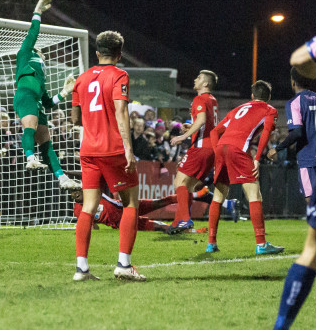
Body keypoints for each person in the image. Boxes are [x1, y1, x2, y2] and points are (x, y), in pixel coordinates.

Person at [263, 33, 316, 330]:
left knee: (312, 247)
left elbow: (298, 57)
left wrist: (277, 147)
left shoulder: (297, 101)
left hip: (312, 161)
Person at [70, 30, 145, 281]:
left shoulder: (81, 79)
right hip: (112, 149)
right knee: (131, 203)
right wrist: (128, 148)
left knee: (89, 207)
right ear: (119, 54)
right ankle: (124, 265)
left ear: (97, 52)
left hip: (88, 150)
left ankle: (82, 269)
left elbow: (75, 119)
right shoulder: (119, 74)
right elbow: (121, 109)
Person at [206, 80, 283, 255]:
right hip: (238, 149)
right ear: (268, 97)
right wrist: (257, 158)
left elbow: (213, 132)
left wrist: (216, 151)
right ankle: (261, 244)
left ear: (252, 96)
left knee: (218, 196)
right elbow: (265, 133)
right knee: (254, 194)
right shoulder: (269, 110)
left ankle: (211, 243)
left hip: (222, 147)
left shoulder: (236, 110)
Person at [12, 0, 80, 190]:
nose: (43, 53)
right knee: (30, 128)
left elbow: (49, 103)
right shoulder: (26, 54)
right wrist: (38, 12)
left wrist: (65, 92)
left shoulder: (41, 77)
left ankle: (62, 178)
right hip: (24, 96)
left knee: (47, 143)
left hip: (37, 102)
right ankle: (30, 158)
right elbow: (32, 34)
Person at [167, 70, 219, 233]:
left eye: (199, 78)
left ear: (206, 84)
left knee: (179, 183)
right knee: (187, 186)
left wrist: (183, 137)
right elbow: (208, 123)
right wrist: (193, 127)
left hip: (200, 147)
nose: (195, 79)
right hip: (211, 149)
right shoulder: (213, 100)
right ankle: (178, 222)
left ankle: (184, 219)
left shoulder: (200, 98)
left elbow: (202, 120)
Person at [267, 67, 316, 204]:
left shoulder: (294, 103)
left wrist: (277, 148)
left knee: (312, 200)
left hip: (308, 158)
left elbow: (297, 132)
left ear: (293, 82)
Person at [70, 188, 199, 232]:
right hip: (121, 223)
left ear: (82, 189)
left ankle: (192, 195)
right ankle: (190, 231)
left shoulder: (93, 193)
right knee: (158, 227)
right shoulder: (78, 210)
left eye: (76, 190)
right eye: (71, 193)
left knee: (159, 203)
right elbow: (93, 226)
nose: (75, 194)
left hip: (127, 206)